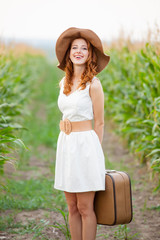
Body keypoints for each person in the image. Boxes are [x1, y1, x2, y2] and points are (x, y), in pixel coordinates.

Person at [54, 27, 110, 240]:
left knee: (86, 207)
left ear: (89, 54)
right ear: (68, 53)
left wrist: (95, 154)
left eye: (83, 48)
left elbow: (100, 122)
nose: (78, 51)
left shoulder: (93, 84)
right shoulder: (64, 83)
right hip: (66, 145)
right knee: (72, 207)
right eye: (74, 47)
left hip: (86, 147)